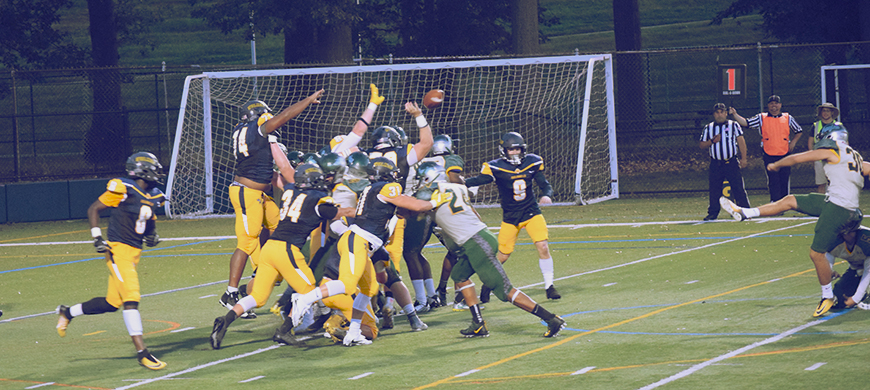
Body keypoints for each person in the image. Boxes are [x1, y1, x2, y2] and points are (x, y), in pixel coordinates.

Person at [289, 156, 448, 346]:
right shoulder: (387, 187)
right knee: (348, 284)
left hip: (362, 242)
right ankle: (305, 299)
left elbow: (401, 212)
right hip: (359, 240)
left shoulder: (372, 189)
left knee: (369, 288)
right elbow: (416, 205)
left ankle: (354, 332)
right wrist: (433, 202)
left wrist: (418, 206)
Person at [720, 127, 869, 317]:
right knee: (790, 200)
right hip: (845, 207)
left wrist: (777, 164)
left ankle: (827, 296)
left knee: (816, 254)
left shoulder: (833, 150)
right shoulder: (854, 156)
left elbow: (799, 157)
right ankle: (745, 213)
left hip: (839, 209)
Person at [209, 161, 355, 349]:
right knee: (309, 291)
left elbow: (284, 177)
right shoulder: (318, 199)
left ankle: (225, 321)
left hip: (270, 248)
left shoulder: (290, 190)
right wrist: (364, 212)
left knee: (258, 297)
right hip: (287, 249)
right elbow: (342, 212)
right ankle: (284, 330)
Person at [414, 162, 566, 338]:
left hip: (476, 242)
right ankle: (478, 323)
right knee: (459, 275)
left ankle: (551, 319)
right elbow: (473, 212)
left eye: (422, 179)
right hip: (478, 237)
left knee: (504, 290)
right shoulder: (456, 188)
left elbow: (417, 208)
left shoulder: (432, 193)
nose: (420, 183)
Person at [56, 152, 168, 370]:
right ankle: (143, 353)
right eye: (154, 167)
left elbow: (149, 218)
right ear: (143, 169)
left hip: (134, 253)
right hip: (117, 251)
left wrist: (152, 235)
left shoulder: (153, 194)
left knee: (111, 303)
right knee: (131, 299)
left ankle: (67, 312)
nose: (157, 171)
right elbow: (94, 209)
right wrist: (97, 237)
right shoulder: (124, 188)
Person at [219, 90, 324, 315]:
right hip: (246, 192)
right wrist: (306, 100)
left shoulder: (242, 129)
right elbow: (284, 116)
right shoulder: (258, 126)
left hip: (260, 194)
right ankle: (230, 292)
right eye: (266, 116)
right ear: (259, 115)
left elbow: (269, 171)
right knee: (247, 242)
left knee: (279, 226)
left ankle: (262, 272)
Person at [465, 131, 561, 301]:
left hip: (531, 212)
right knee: (502, 255)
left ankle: (549, 286)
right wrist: (460, 182)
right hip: (510, 216)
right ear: (504, 151)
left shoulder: (532, 162)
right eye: (511, 150)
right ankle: (488, 284)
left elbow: (544, 184)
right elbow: (482, 180)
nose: (515, 152)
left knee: (543, 246)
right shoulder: (496, 166)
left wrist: (547, 195)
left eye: (517, 149)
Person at [730, 95, 803, 202]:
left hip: (784, 153)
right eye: (771, 103)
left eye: (776, 103)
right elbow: (747, 123)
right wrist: (735, 114)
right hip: (769, 153)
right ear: (768, 105)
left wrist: (793, 142)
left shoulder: (788, 118)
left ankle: (785, 202)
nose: (774, 106)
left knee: (784, 178)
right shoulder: (762, 117)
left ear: (780, 105)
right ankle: (775, 201)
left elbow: (799, 131)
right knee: (773, 180)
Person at [699, 103, 750, 221]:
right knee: (714, 189)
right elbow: (702, 144)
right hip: (716, 163)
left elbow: (741, 141)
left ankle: (745, 210)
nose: (719, 114)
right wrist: (712, 141)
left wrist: (744, 158)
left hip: (731, 162)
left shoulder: (734, 125)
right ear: (714, 114)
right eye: (717, 112)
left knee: (738, 187)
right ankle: (713, 212)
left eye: (722, 112)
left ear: (726, 113)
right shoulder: (709, 127)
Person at [807, 103, 845, 194]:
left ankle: (834, 204)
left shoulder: (838, 126)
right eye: (824, 110)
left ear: (832, 112)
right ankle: (822, 205)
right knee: (821, 184)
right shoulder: (815, 126)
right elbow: (810, 142)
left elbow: (844, 142)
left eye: (828, 111)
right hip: (819, 159)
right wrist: (812, 156)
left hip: (834, 158)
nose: (825, 113)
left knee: (835, 183)